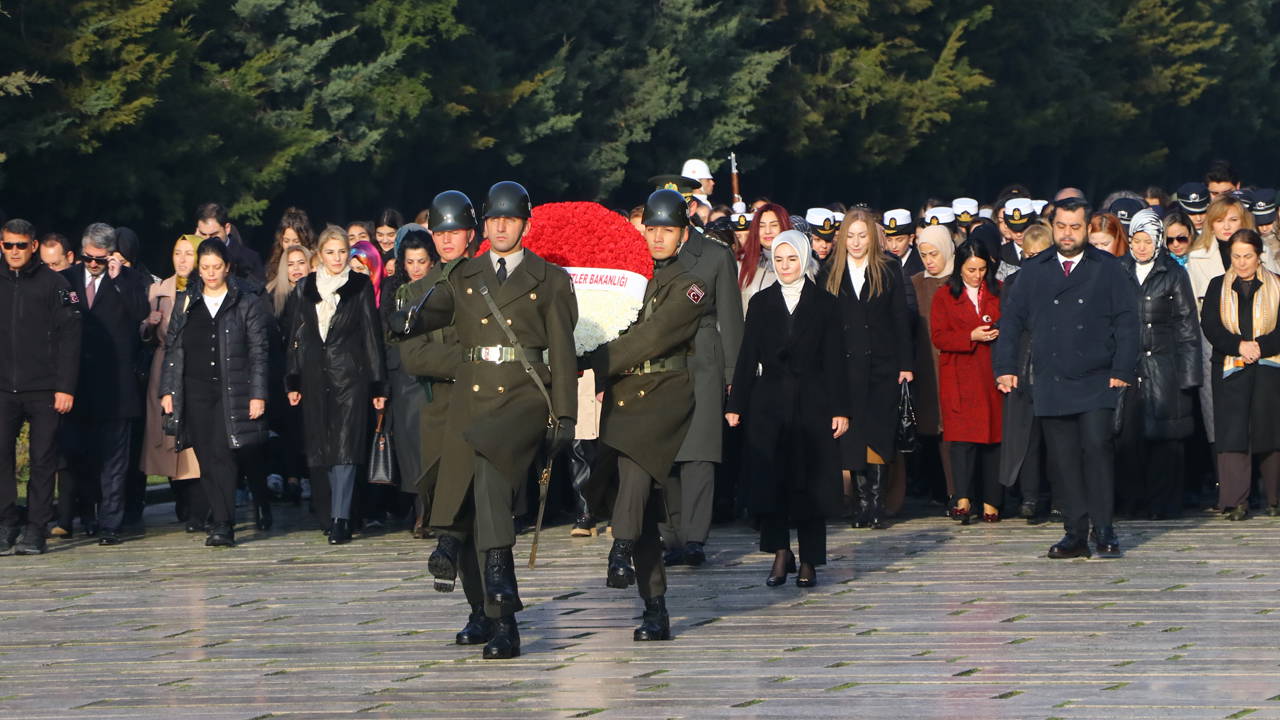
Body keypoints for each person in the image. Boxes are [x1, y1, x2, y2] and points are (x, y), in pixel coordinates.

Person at [399, 181, 577, 660]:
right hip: (466, 407)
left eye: (509, 218)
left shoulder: (551, 279)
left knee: (485, 474)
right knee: (478, 488)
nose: (501, 226)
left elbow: (562, 352)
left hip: (521, 400)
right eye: (494, 218)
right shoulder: (462, 277)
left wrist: (565, 414)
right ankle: (497, 604)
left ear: (524, 223)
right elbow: (413, 329)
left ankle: (464, 556)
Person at [585, 188, 709, 641]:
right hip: (623, 393)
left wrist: (594, 360)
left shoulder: (692, 282)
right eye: (651, 229)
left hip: (664, 393)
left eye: (667, 231)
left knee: (636, 471)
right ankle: (655, 606)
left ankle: (619, 547)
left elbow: (654, 335)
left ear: (682, 234)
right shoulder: (625, 276)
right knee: (640, 502)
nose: (657, 239)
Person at [995, 197, 1139, 559]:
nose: (1068, 234)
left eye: (1075, 227)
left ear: (1086, 228)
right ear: (1052, 226)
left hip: (1096, 376)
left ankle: (1104, 528)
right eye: (1061, 226)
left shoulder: (1107, 268)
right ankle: (1075, 532)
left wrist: (1123, 369)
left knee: (1097, 450)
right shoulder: (1035, 270)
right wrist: (1006, 367)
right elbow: (1011, 321)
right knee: (1063, 459)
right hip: (1052, 378)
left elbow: (1127, 320)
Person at [725, 229, 847, 587]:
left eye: (792, 258)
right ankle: (780, 552)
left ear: (805, 259)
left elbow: (836, 361)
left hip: (813, 402)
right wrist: (737, 404)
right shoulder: (761, 303)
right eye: (779, 259)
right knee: (771, 480)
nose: (785, 266)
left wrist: (841, 409)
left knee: (811, 483)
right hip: (769, 404)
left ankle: (810, 558)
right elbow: (747, 357)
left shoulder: (826, 304)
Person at [159, 241, 271, 546]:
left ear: (227, 267)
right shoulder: (187, 301)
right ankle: (218, 513)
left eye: (216, 267)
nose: (210, 273)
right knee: (204, 455)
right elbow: (174, 349)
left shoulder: (244, 301)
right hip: (194, 389)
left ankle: (224, 522)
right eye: (205, 267)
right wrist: (168, 389)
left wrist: (258, 394)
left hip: (230, 387)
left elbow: (258, 351)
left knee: (223, 453)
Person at [285, 225, 388, 545]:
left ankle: (342, 517)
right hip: (315, 378)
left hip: (350, 379)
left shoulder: (359, 286)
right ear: (319, 254)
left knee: (345, 448)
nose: (337, 258)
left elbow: (372, 337)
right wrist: (293, 378)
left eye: (342, 251)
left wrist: (377, 386)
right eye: (330, 252)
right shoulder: (304, 287)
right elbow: (296, 338)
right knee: (322, 449)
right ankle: (331, 513)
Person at [662, 182, 744, 567]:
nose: (659, 234)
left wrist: (733, 375)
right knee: (661, 452)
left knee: (698, 452)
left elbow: (731, 317)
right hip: (658, 363)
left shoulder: (714, 255)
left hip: (702, 359)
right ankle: (670, 533)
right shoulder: (642, 257)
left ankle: (694, 536)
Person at [817, 209, 913, 530]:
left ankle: (876, 501)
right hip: (844, 366)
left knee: (878, 432)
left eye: (863, 236)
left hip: (882, 364)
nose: (856, 243)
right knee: (853, 434)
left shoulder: (888, 267)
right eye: (852, 236)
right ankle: (860, 502)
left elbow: (900, 317)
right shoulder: (829, 270)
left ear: (872, 238)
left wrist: (906, 364)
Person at [62, 223, 149, 545]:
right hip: (79, 384)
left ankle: (111, 522)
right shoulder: (67, 280)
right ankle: (88, 514)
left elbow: (141, 312)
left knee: (115, 460)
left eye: (100, 259)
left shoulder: (129, 280)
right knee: (82, 456)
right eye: (89, 258)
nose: (94, 264)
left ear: (111, 255)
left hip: (117, 386)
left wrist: (117, 280)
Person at [0, 219, 81, 555]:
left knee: (43, 458)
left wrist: (65, 386)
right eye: (8, 245)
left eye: (21, 245)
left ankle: (37, 528)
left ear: (33, 246)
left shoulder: (55, 283)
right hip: (4, 387)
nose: (15, 252)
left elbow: (71, 338)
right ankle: (7, 523)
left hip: (45, 388)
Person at [1115, 209, 1202, 519]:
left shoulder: (1173, 273)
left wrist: (1190, 377)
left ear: (1158, 242)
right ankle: (1130, 502)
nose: (1141, 247)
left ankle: (1163, 504)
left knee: (1165, 440)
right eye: (1136, 240)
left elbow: (1187, 327)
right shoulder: (1119, 270)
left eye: (1147, 241)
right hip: (1128, 368)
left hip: (1165, 367)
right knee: (1127, 438)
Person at [1200, 229, 1280, 519]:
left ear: (1258, 255)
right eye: (1236, 256)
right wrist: (1239, 345)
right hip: (1230, 368)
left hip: (1269, 366)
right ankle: (1236, 500)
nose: (1242, 262)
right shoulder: (1217, 285)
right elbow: (1210, 325)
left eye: (1248, 256)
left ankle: (1274, 498)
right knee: (1232, 434)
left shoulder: (1277, 285)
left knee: (1271, 431)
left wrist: (1259, 346)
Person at [932, 241, 1003, 523]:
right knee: (962, 440)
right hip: (959, 373)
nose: (977, 275)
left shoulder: (998, 291)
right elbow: (938, 336)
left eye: (982, 269)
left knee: (992, 439)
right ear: (959, 268)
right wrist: (969, 337)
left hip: (990, 373)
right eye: (971, 269)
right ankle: (962, 496)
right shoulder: (944, 296)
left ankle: (991, 501)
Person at [140, 235, 205, 532]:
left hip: (195, 368)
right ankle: (181, 499)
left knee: (193, 440)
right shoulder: (158, 290)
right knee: (165, 439)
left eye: (188, 253)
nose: (181, 259)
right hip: (163, 368)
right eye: (177, 253)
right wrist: (148, 325)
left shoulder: (207, 287)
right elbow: (146, 335)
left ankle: (198, 507)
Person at [382, 223, 440, 540]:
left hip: (436, 370)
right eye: (410, 262)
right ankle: (421, 510)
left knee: (434, 444)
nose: (416, 268)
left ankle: (434, 510)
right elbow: (387, 333)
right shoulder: (394, 290)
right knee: (411, 447)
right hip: (404, 375)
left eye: (421, 261)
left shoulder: (443, 286)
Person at [997, 224, 1054, 523]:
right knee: (1028, 439)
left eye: (1040, 254)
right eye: (1028, 255)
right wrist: (1005, 369)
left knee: (1058, 438)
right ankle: (1030, 497)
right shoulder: (1014, 283)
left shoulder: (1065, 281)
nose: (1033, 260)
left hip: (1056, 367)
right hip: (1024, 365)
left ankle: (1057, 497)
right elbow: (1007, 329)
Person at [909, 226, 956, 503]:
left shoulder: (959, 280)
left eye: (934, 253)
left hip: (952, 364)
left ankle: (956, 491)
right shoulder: (915, 282)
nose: (929, 260)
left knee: (953, 431)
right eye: (924, 254)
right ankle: (939, 489)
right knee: (929, 431)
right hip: (925, 365)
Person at [737, 202, 790, 310]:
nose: (768, 231)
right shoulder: (741, 265)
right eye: (761, 226)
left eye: (774, 225)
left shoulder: (800, 264)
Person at [195, 202, 265, 283]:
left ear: (227, 228)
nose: (207, 240)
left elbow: (259, 292)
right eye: (203, 234)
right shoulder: (191, 256)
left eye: (213, 234)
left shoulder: (250, 259)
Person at [265, 208, 315, 286]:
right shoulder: (274, 267)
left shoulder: (315, 265)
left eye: (296, 241)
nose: (290, 246)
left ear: (305, 240)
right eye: (286, 241)